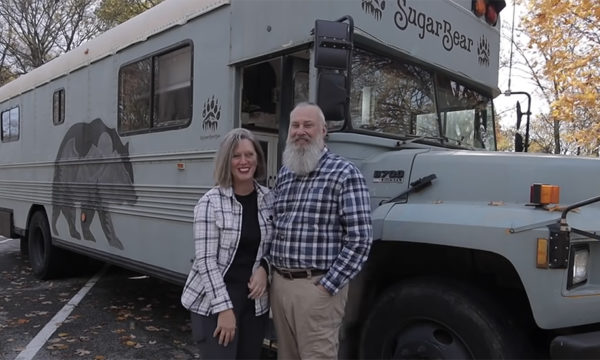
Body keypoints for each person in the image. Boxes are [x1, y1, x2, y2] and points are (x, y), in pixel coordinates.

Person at [267, 102, 373, 359]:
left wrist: (328, 286)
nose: (300, 131)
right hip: (280, 286)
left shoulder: (345, 173)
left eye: (308, 125)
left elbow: (360, 239)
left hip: (316, 287)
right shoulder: (286, 173)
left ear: (323, 130)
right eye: (295, 125)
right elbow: (275, 224)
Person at [181, 128, 273, 359]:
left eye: (249, 154)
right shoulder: (210, 203)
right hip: (215, 299)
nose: (244, 161)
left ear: (258, 158)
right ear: (227, 161)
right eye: (236, 156)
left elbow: (276, 244)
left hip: (255, 303)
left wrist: (265, 268)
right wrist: (224, 309)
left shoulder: (270, 199)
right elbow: (206, 261)